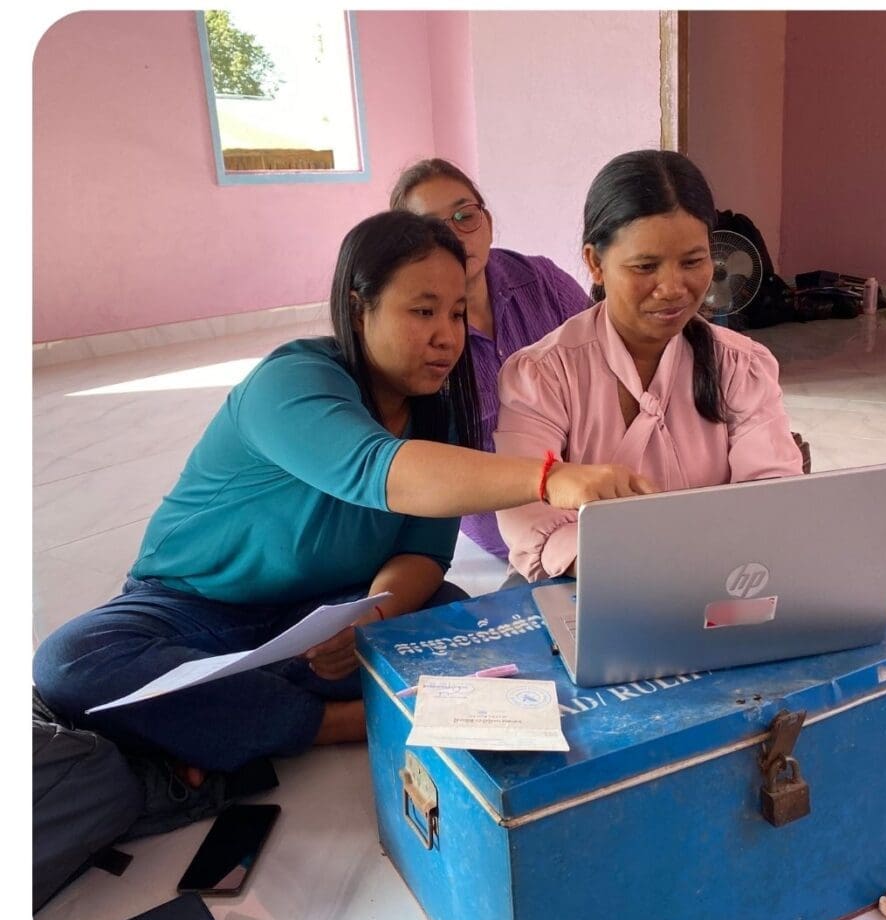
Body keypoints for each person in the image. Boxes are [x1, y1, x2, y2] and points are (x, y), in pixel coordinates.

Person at [32, 210, 654, 777]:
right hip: (195, 611)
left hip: (322, 616)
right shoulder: (292, 382)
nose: (447, 335)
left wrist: (371, 616)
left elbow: (424, 556)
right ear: (361, 309)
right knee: (70, 662)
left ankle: (226, 720)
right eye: (422, 310)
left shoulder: (437, 415)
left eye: (457, 312)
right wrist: (550, 477)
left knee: (452, 609)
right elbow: (376, 470)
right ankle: (338, 723)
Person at [493, 149, 805, 582]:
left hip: (713, 578)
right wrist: (653, 568)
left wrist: (699, 569)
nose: (673, 288)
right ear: (595, 263)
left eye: (693, 262)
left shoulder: (740, 365)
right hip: (579, 581)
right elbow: (530, 522)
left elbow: (772, 496)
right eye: (645, 266)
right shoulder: (543, 374)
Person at [390, 158, 592, 560]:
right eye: (433, 228)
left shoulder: (542, 280)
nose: (457, 236)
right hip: (496, 503)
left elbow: (604, 356)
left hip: (587, 470)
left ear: (489, 222)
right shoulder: (413, 328)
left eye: (466, 215)